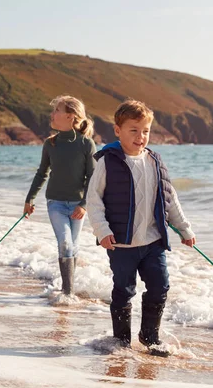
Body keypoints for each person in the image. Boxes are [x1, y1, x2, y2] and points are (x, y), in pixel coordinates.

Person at [86, 99, 196, 355]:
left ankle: (150, 338)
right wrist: (102, 231)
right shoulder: (108, 162)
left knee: (160, 286)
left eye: (145, 131)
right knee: (123, 290)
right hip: (121, 243)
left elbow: (170, 199)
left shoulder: (155, 161)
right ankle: (121, 342)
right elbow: (94, 200)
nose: (140, 136)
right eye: (133, 130)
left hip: (152, 242)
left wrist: (185, 229)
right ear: (118, 130)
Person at [24, 95, 97, 296]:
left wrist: (84, 204)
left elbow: (93, 176)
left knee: (73, 246)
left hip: (77, 204)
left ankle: (69, 291)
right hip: (55, 202)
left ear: (70, 116)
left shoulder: (86, 144)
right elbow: (42, 174)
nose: (53, 114)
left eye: (57, 110)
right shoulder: (51, 144)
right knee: (65, 243)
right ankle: (67, 293)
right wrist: (29, 199)